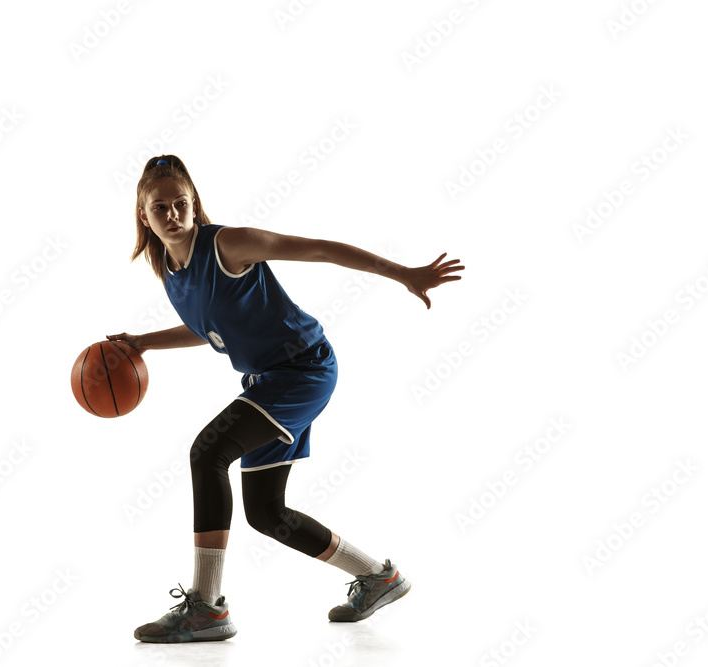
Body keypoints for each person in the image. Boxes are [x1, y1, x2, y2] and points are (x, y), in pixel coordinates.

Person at [107, 155, 464, 643]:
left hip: (304, 370)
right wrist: (145, 342)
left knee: (207, 451)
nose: (173, 214)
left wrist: (404, 273)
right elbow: (208, 328)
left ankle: (207, 609)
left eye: (181, 204)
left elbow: (318, 250)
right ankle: (380, 577)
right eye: (160, 208)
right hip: (267, 381)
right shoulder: (170, 269)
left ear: (195, 205)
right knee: (266, 514)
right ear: (143, 216)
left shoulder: (228, 245)